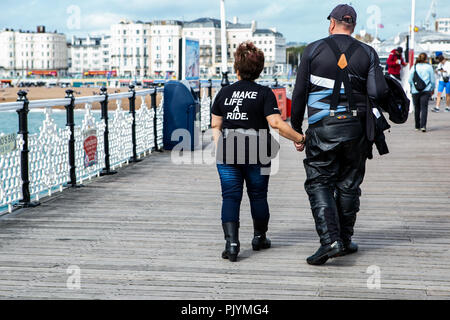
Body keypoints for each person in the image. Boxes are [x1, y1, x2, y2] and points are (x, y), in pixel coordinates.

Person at [291, 4, 388, 265]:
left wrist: (297, 130)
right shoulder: (368, 52)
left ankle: (329, 241)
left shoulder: (313, 49)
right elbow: (378, 92)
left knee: (319, 181)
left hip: (323, 127)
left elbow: (299, 93)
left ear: (331, 23)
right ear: (353, 25)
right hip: (357, 129)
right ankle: (344, 240)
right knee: (349, 184)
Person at [211, 42, 305, 262]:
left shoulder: (224, 93)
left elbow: (216, 126)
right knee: (258, 196)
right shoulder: (264, 93)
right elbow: (276, 123)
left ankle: (232, 244)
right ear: (260, 69)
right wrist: (300, 138)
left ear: (236, 68)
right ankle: (259, 237)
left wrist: (220, 147)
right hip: (258, 150)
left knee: (230, 197)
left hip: (228, 151)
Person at [409, 53, 435, 132]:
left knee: (416, 108)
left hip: (415, 90)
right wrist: (432, 88)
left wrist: (412, 86)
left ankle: (417, 126)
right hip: (426, 90)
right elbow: (432, 81)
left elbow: (409, 80)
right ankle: (423, 126)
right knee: (424, 108)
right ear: (426, 58)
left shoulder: (414, 67)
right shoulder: (429, 67)